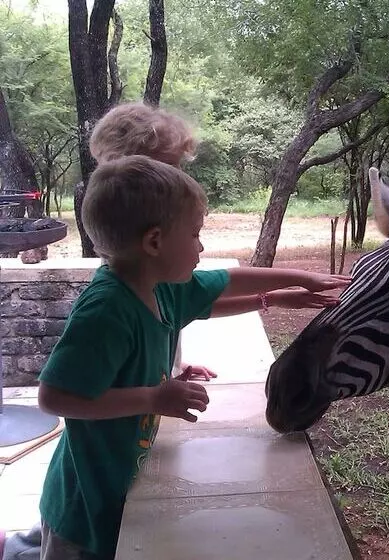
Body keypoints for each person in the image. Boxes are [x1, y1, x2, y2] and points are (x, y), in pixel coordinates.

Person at [36, 155, 350, 559]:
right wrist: (153, 397)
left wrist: (295, 281)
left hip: (116, 484)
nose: (201, 247)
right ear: (154, 242)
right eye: (195, 234)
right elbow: (54, 398)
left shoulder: (156, 283)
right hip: (82, 509)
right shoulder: (107, 309)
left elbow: (222, 284)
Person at [88, 100, 329, 380]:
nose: (178, 177)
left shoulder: (140, 272)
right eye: (170, 168)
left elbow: (190, 302)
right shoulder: (109, 305)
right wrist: (153, 399)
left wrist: (170, 368)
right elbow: (62, 396)